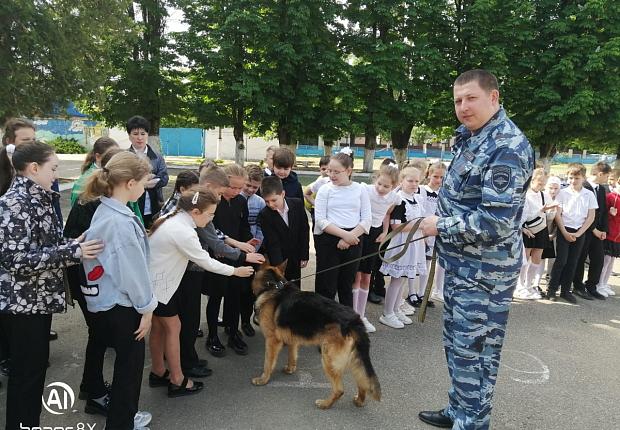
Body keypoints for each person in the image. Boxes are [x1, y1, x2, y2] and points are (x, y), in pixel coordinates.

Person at [418, 69, 534, 430]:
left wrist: (441, 225)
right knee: (458, 348)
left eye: (471, 98)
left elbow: (495, 223)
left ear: (494, 97)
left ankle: (472, 423)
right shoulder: (473, 137)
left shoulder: (506, 147)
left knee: (477, 353)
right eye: (457, 100)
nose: (463, 107)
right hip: (462, 266)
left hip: (486, 274)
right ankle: (459, 410)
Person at [0, 142, 103, 430]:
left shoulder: (37, 197)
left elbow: (43, 246)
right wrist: (73, 253)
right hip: (23, 303)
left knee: (33, 372)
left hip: (37, 300)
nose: (56, 174)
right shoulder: (15, 203)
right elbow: (15, 259)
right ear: (33, 168)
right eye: (53, 168)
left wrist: (73, 243)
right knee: (26, 375)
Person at [148, 187, 253, 398]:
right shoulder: (184, 231)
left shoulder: (174, 217)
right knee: (173, 327)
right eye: (210, 214)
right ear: (195, 212)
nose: (212, 219)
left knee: (160, 329)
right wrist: (236, 271)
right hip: (160, 287)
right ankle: (177, 380)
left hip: (157, 285)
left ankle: (158, 371)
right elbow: (206, 261)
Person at [80, 151, 158, 430]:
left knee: (127, 366)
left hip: (106, 302)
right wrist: (147, 309)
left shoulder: (106, 209)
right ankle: (122, 422)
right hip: (122, 307)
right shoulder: (121, 222)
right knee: (129, 368)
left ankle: (124, 417)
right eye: (144, 180)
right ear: (129, 183)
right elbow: (132, 273)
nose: (145, 186)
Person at [314, 152, 371, 307]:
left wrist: (350, 237)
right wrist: (344, 235)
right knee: (327, 286)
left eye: (336, 172)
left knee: (347, 285)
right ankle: (324, 324)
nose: (331, 175)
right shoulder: (325, 190)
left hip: (354, 239)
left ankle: (347, 324)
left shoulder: (360, 189)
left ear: (349, 171)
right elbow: (320, 221)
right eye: (329, 171)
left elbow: (366, 220)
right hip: (330, 240)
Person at [210, 164, 254, 355]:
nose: (236, 192)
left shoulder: (240, 202)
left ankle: (232, 330)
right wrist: (218, 248)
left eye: (240, 188)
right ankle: (213, 335)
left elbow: (243, 226)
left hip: (237, 255)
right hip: (217, 255)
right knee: (216, 295)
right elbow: (209, 230)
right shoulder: (213, 201)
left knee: (235, 294)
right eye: (232, 187)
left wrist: (248, 241)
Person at [351, 164, 400, 333]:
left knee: (367, 275)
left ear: (394, 186)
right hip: (361, 231)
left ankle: (362, 315)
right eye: (379, 183)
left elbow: (387, 214)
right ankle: (353, 316)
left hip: (376, 235)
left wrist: (385, 232)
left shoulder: (394, 197)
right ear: (375, 179)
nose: (381, 188)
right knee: (356, 275)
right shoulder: (366, 190)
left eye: (386, 186)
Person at [378, 166, 427, 329]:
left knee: (405, 278)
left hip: (414, 243)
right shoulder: (399, 200)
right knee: (397, 279)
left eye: (417, 181)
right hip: (401, 243)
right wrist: (420, 224)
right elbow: (396, 226)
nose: (414, 184)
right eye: (410, 181)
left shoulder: (418, 199)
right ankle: (387, 313)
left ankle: (396, 308)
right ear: (401, 181)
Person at [546, 163, 597, 303]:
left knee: (573, 262)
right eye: (571, 177)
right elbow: (558, 214)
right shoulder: (563, 193)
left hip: (579, 232)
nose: (573, 181)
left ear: (583, 178)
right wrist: (564, 231)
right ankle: (551, 289)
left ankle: (565, 290)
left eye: (577, 178)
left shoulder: (589, 194)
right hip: (564, 229)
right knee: (561, 260)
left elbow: (591, 216)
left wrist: (579, 233)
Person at [257, 176, 310, 286]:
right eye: (266, 201)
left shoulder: (297, 204)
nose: (270, 205)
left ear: (283, 194)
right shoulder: (264, 215)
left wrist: (304, 254)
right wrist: (279, 267)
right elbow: (272, 243)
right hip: (278, 259)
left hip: (296, 256)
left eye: (274, 200)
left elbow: (304, 230)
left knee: (295, 288)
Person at [514, 168, 555, 300]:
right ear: (532, 180)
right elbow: (522, 216)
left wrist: (551, 211)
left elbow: (549, 214)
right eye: (539, 183)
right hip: (527, 228)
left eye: (544, 183)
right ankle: (520, 286)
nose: (541, 186)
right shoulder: (525, 194)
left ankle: (529, 285)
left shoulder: (544, 195)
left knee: (537, 257)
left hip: (541, 229)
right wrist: (540, 210)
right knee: (525, 258)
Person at [572, 161, 611, 300]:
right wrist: (593, 229)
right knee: (580, 258)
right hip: (584, 230)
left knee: (598, 259)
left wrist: (604, 230)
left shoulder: (601, 189)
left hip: (597, 232)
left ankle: (591, 286)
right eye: (607, 176)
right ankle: (577, 286)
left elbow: (603, 212)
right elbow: (585, 213)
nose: (607, 179)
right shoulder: (585, 187)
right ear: (600, 174)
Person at [126, 115, 169, 227]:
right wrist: (145, 182)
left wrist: (151, 181)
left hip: (154, 204)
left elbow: (164, 178)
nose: (139, 138)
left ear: (147, 135)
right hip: (132, 204)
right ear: (129, 136)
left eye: (143, 134)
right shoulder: (125, 157)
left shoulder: (157, 157)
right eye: (135, 134)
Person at [70, 137, 120, 206]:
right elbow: (76, 210)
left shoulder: (112, 175)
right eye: (109, 156)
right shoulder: (84, 182)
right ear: (98, 157)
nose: (116, 161)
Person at [598, 170, 620, 297]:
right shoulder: (611, 197)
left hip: (618, 235)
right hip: (610, 233)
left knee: (611, 261)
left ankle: (604, 283)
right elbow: (601, 212)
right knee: (605, 260)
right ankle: (599, 284)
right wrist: (609, 212)